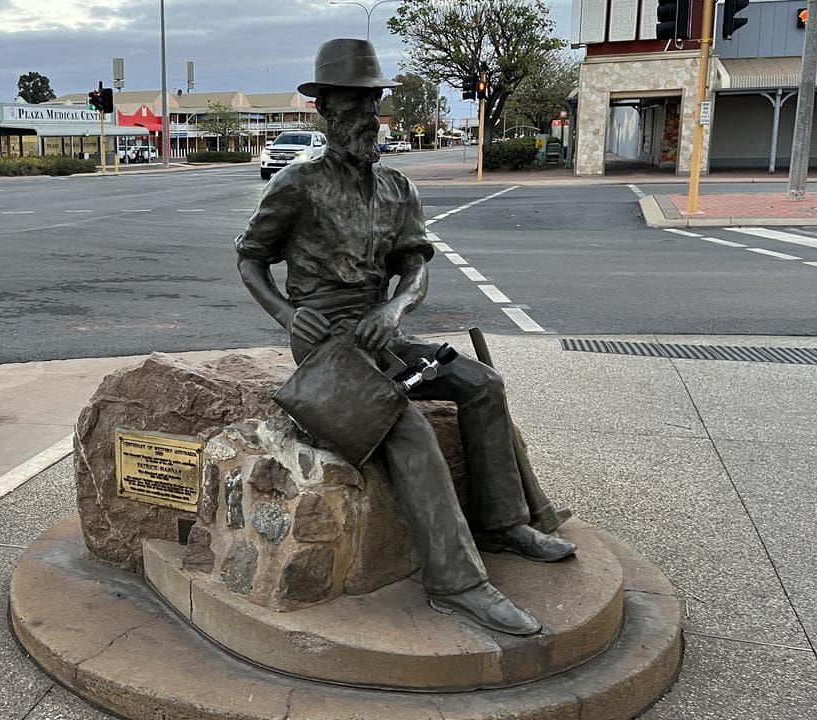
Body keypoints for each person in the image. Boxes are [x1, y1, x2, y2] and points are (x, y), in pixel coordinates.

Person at [234, 39, 575, 636]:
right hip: (323, 348)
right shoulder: (296, 184)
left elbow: (417, 267)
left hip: (379, 333)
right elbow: (249, 258)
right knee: (407, 428)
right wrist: (289, 316)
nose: (369, 114)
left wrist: (393, 310)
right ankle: (456, 580)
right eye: (355, 102)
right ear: (327, 111)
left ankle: (502, 523)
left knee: (481, 383)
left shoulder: (397, 188)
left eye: (373, 101)